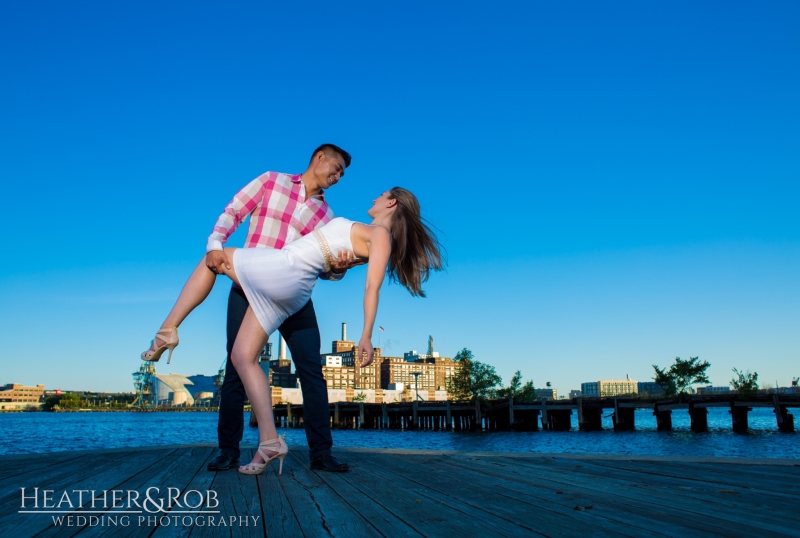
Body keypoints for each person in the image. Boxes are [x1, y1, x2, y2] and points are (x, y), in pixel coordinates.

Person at [141, 188, 444, 475]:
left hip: (287, 268)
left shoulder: (380, 235)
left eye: (382, 195)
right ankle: (270, 441)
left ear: (391, 203)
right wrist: (340, 268)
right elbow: (334, 266)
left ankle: (168, 329)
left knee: (213, 259)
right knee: (241, 356)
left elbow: (372, 288)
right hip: (293, 291)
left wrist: (365, 335)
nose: (375, 197)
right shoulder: (369, 234)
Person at [156, 144, 358, 473]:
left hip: (294, 299)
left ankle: (321, 454)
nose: (338, 176)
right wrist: (215, 245)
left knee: (311, 372)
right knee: (237, 368)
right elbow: (233, 211)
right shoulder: (270, 181)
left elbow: (327, 270)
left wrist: (340, 268)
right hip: (248, 287)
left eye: (342, 175)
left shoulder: (328, 218)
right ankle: (228, 450)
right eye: (336, 168)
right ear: (319, 157)